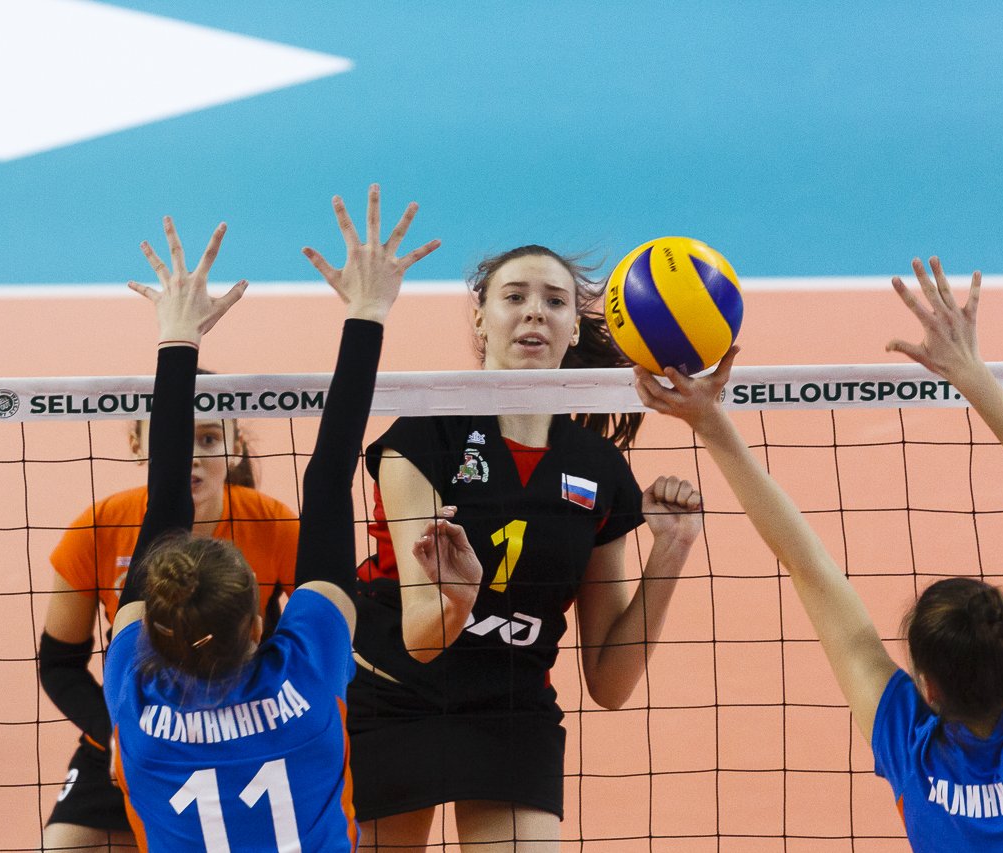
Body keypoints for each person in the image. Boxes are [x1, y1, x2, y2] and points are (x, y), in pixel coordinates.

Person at [635, 256, 1003, 851]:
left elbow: (811, 571)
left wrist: (709, 422)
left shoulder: (917, 753)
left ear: (928, 690)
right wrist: (972, 374)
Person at [103, 190, 454, 851]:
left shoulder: (136, 696)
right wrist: (368, 310)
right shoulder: (305, 676)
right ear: (260, 622)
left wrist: (180, 336)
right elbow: (322, 482)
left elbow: (168, 503)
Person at [328, 243, 705, 850]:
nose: (535, 311)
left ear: (573, 327)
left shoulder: (599, 468)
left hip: (510, 709)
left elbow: (610, 684)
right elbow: (422, 639)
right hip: (392, 696)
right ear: (481, 318)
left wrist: (671, 552)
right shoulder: (421, 437)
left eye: (555, 301)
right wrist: (461, 597)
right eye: (515, 297)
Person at [39, 384, 296, 852]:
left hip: (246, 726)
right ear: (137, 444)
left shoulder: (275, 524)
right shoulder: (97, 529)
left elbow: (316, 640)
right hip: (137, 726)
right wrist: (116, 732)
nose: (190, 456)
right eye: (171, 438)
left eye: (209, 439)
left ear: (235, 445)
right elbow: (59, 664)